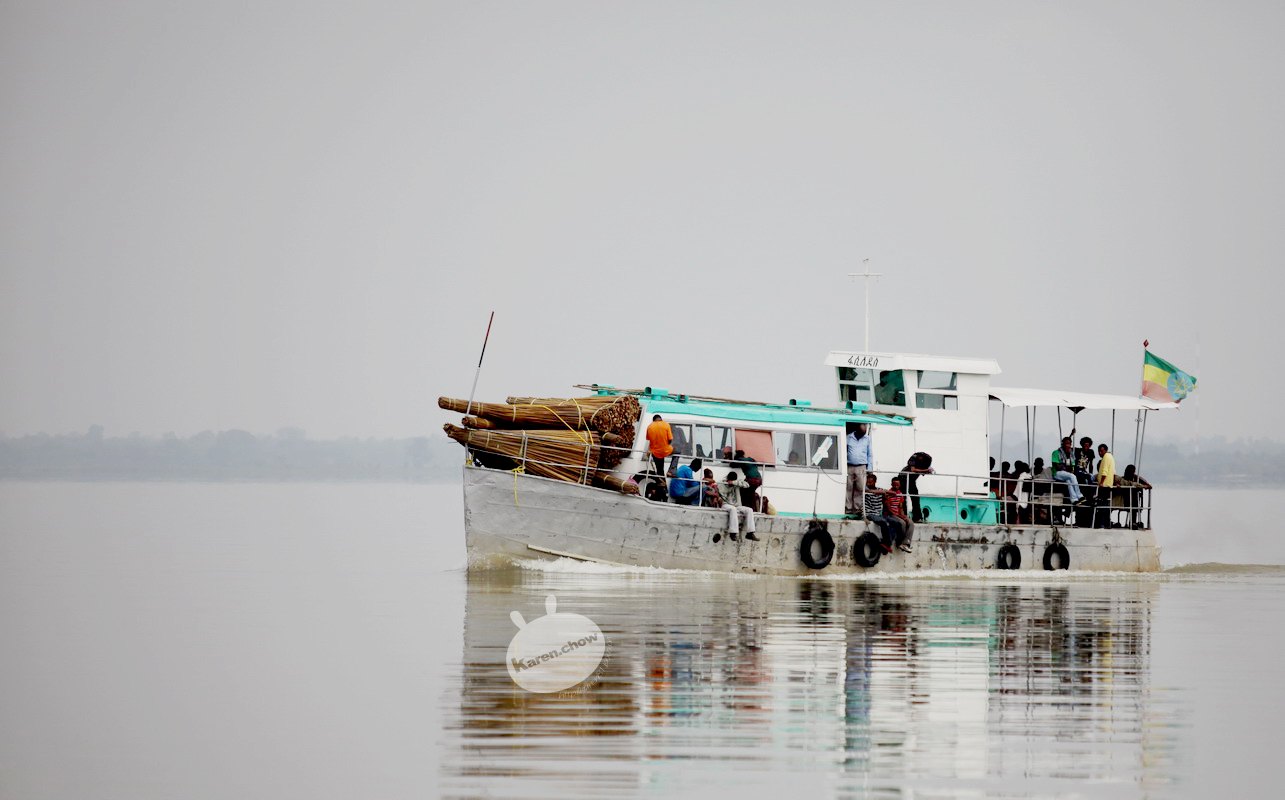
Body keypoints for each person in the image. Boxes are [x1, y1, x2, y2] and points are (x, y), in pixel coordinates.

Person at [861, 472, 900, 551]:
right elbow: (870, 491)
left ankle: (886, 543)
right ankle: (888, 544)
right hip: (869, 514)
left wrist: (886, 492)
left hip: (878, 514)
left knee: (896, 523)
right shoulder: (865, 490)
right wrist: (882, 492)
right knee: (883, 522)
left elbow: (894, 493)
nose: (868, 483)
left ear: (875, 482)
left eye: (870, 482)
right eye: (867, 482)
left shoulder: (881, 490)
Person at [717, 471, 758, 540]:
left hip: (736, 505)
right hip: (725, 504)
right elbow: (721, 496)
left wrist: (734, 483)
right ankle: (733, 533)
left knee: (749, 510)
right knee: (733, 509)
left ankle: (750, 533)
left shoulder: (736, 483)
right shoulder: (721, 484)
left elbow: (747, 485)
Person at [846, 423, 873, 516]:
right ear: (857, 431)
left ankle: (857, 508)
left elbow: (870, 454)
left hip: (861, 466)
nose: (863, 435)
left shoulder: (867, 439)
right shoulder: (848, 437)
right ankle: (848, 508)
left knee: (860, 488)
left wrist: (870, 468)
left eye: (864, 433)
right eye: (861, 433)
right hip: (849, 466)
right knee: (848, 487)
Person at [1050, 436, 1085, 504]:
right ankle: (1079, 495)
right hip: (1057, 473)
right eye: (1066, 443)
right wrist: (1066, 465)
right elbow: (1058, 467)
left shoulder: (1071, 454)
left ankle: (1074, 500)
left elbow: (1072, 468)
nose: (1067, 445)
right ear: (1062, 444)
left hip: (1066, 474)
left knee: (1069, 480)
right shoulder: (1056, 453)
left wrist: (1068, 458)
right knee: (1072, 476)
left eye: (1069, 444)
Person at [900, 452, 932, 522]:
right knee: (903, 498)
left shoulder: (925, 462)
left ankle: (917, 517)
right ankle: (904, 516)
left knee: (915, 497)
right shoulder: (914, 457)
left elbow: (922, 471)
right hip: (903, 478)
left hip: (911, 480)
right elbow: (913, 469)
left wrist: (928, 471)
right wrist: (926, 470)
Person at [884, 476, 914, 552]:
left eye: (897, 485)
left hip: (898, 514)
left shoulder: (900, 494)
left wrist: (903, 516)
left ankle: (906, 543)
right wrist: (900, 517)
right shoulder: (888, 494)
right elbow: (889, 510)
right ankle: (900, 542)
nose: (896, 486)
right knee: (902, 523)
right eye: (894, 485)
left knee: (910, 523)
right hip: (891, 515)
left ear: (900, 485)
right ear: (891, 484)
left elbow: (900, 507)